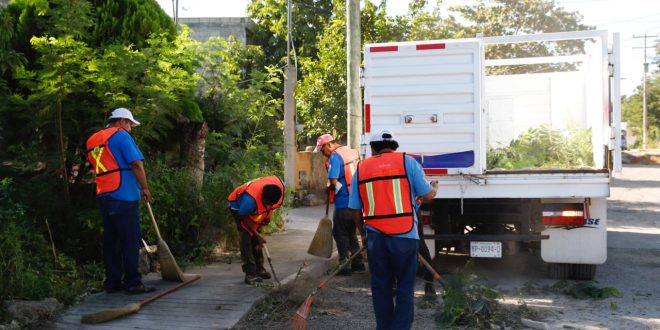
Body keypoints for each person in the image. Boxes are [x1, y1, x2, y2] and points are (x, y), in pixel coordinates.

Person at [349, 129, 437, 330]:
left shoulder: (362, 168)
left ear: (372, 148)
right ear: (395, 146)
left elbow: (355, 208)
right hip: (405, 236)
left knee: (381, 287)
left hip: (376, 238)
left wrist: (362, 234)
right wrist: (434, 189)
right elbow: (427, 195)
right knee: (405, 288)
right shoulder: (408, 162)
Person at [86, 107, 155, 295]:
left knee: (111, 241)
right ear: (123, 121)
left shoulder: (94, 139)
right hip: (123, 195)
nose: (131, 128)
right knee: (130, 239)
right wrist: (145, 188)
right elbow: (136, 164)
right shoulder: (121, 135)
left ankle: (113, 282)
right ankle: (133, 282)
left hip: (103, 193)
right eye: (130, 124)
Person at [314, 134, 365, 275]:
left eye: (322, 150)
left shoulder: (335, 157)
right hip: (357, 201)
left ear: (329, 145)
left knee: (340, 233)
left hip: (344, 202)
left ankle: (345, 264)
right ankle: (358, 262)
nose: (323, 154)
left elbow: (334, 181)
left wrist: (329, 189)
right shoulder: (351, 151)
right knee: (350, 232)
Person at [227, 176, 285, 284]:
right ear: (262, 196)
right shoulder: (249, 201)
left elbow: (269, 207)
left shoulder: (278, 189)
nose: (268, 207)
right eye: (266, 203)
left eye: (270, 205)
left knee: (257, 240)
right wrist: (256, 234)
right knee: (246, 239)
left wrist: (268, 216)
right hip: (239, 208)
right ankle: (250, 274)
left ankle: (260, 269)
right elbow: (244, 218)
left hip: (253, 209)